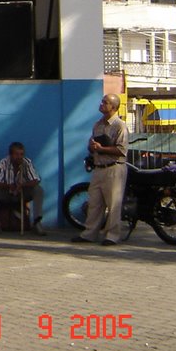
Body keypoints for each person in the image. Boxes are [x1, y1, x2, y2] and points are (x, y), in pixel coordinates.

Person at [73, 93, 129, 246]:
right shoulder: (97, 125)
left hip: (114, 168)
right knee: (95, 202)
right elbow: (93, 146)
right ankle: (89, 233)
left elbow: (122, 150)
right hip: (99, 167)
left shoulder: (119, 126)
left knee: (113, 204)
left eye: (106, 102)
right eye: (102, 101)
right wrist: (92, 148)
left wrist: (102, 148)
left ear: (113, 107)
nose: (102, 104)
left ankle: (112, 235)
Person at [0, 142, 47, 235]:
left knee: (38, 190)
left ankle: (37, 222)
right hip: (7, 192)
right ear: (11, 154)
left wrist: (23, 185)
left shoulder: (27, 162)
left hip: (22, 192)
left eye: (21, 154)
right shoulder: (3, 162)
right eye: (16, 154)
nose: (19, 157)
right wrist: (9, 186)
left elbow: (36, 180)